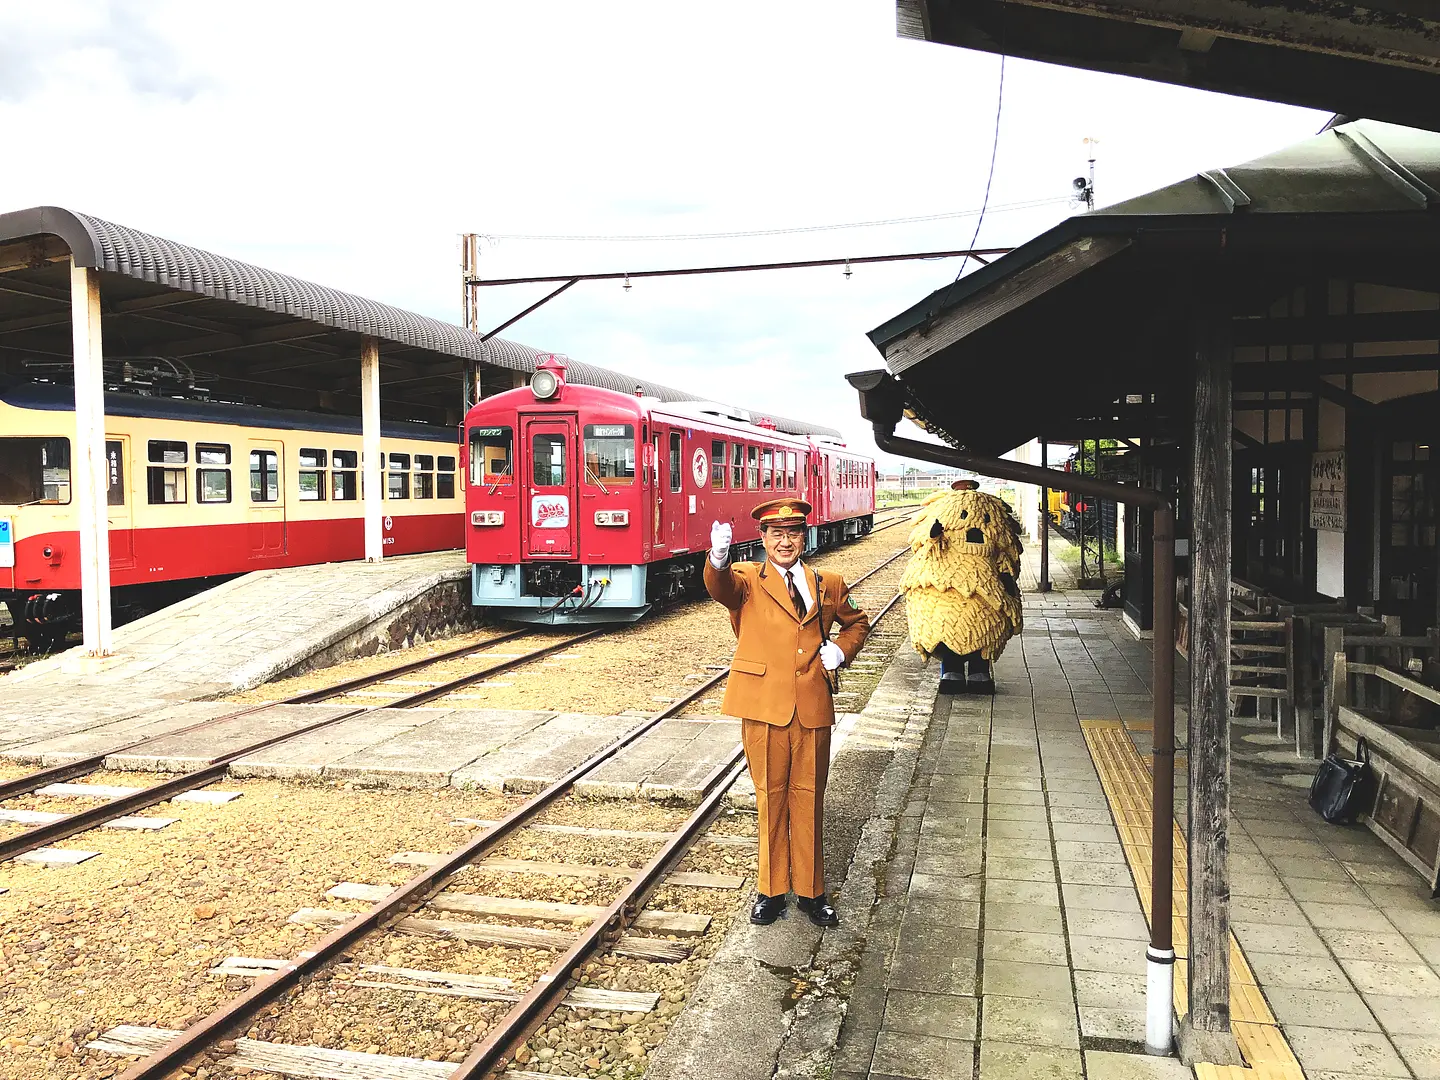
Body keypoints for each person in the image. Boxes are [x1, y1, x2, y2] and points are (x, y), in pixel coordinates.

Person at [704, 498, 870, 927]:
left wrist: (841, 650)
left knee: (810, 798)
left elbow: (857, 622)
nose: (784, 541)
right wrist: (718, 559)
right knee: (770, 797)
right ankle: (771, 890)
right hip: (763, 705)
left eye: (793, 532)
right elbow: (721, 589)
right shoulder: (746, 579)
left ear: (804, 536)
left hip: (812, 704)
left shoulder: (827, 581)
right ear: (761, 538)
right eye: (775, 533)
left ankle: (812, 893)